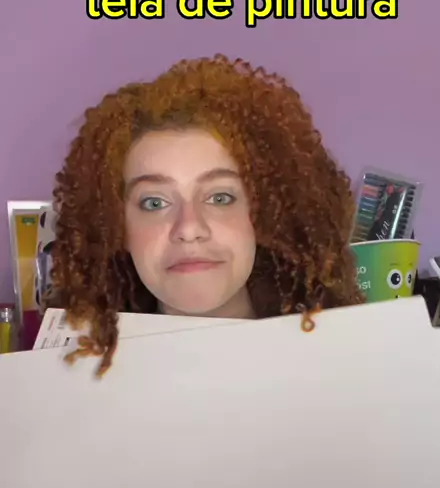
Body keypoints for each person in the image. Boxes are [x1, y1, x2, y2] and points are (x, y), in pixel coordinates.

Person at [48, 54, 362, 376]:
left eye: (220, 197)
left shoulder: (353, 364)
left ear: (265, 215)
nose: (189, 228)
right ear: (117, 227)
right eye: (154, 203)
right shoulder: (57, 381)